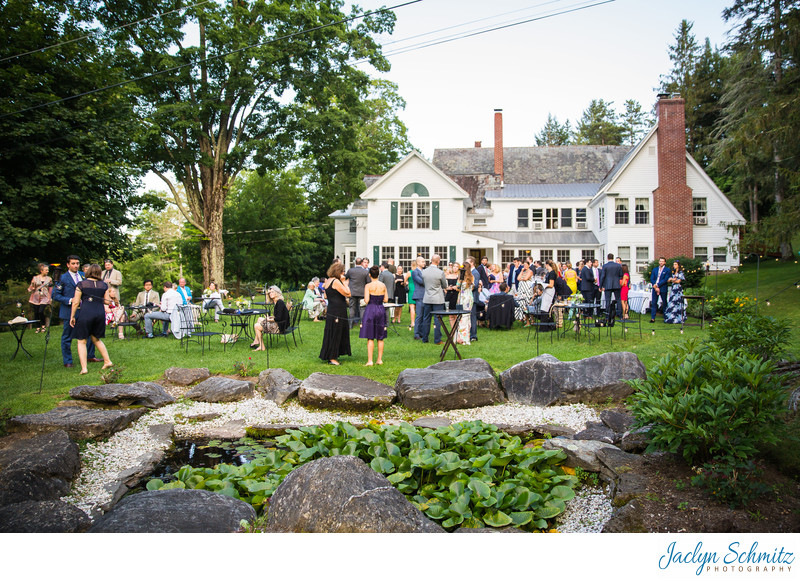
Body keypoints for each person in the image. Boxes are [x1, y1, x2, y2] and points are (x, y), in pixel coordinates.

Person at [69, 264, 113, 375]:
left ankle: (84, 368)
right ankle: (107, 360)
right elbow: (107, 302)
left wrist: (72, 316)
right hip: (99, 313)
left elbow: (75, 302)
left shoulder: (81, 284)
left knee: (82, 341)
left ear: (88, 272)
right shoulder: (104, 285)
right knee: (96, 338)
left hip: (86, 313)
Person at [52, 255, 96, 367]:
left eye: (77, 263)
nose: (76, 265)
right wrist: (70, 300)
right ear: (68, 264)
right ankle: (68, 361)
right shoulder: (62, 278)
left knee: (90, 333)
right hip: (69, 311)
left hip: (84, 310)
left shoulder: (83, 275)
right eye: (73, 263)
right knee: (67, 336)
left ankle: (90, 356)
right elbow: (55, 295)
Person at [319, 262, 351, 365]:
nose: (344, 273)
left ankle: (332, 354)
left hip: (332, 308)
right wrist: (345, 283)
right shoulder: (336, 281)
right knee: (336, 332)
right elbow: (348, 293)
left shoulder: (328, 281)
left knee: (332, 331)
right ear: (339, 272)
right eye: (343, 271)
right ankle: (332, 358)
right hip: (338, 310)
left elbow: (327, 296)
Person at [359, 265, 388, 365]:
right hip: (380, 309)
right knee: (380, 336)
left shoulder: (368, 286)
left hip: (371, 309)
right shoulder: (383, 285)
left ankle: (370, 360)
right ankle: (379, 359)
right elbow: (386, 299)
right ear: (378, 275)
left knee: (370, 336)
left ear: (370, 275)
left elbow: (366, 300)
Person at [420, 254, 448, 344]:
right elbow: (445, 285)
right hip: (437, 299)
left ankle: (425, 338)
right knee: (437, 319)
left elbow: (424, 283)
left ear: (431, 260)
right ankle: (437, 339)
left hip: (427, 297)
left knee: (426, 318)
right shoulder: (440, 272)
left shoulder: (424, 272)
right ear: (438, 261)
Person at [252, 286, 290, 350]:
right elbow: (279, 316)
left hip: (280, 327)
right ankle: (257, 340)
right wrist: (270, 317)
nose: (271, 294)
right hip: (280, 323)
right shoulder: (276, 302)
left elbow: (278, 318)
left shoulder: (279, 302)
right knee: (259, 319)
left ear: (277, 293)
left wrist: (268, 319)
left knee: (256, 326)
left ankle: (261, 346)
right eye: (269, 293)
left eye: (272, 292)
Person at [27, 262, 52, 333]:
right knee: (36, 312)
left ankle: (43, 326)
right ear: (41, 271)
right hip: (36, 296)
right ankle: (38, 327)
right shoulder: (35, 278)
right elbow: (32, 287)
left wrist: (50, 298)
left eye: (48, 270)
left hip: (45, 297)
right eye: (46, 270)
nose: (47, 271)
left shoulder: (49, 279)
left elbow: (50, 289)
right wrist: (31, 287)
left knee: (41, 311)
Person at [599, 253, 623, 321]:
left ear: (607, 258)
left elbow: (602, 276)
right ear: (613, 258)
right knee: (618, 299)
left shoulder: (605, 266)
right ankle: (620, 315)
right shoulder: (618, 265)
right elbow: (621, 274)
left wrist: (600, 286)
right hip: (616, 284)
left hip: (608, 284)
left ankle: (607, 315)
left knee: (608, 300)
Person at [345, 257, 368, 329]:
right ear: (361, 263)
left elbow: (345, 278)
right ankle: (362, 325)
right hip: (362, 293)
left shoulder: (350, 271)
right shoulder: (365, 272)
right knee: (362, 308)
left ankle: (350, 325)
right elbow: (368, 282)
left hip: (352, 292)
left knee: (352, 308)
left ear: (355, 263)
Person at [456, 267, 474, 345]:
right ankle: (467, 338)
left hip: (463, 297)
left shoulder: (461, 278)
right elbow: (472, 287)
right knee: (467, 317)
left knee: (462, 317)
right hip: (469, 297)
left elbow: (457, 287)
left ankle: (462, 338)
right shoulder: (472, 277)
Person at [650, 257, 671, 323]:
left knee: (664, 302)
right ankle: (653, 318)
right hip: (655, 288)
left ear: (665, 262)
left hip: (663, 288)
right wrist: (655, 286)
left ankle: (665, 317)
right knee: (654, 303)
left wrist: (658, 285)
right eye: (660, 261)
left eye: (662, 261)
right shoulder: (655, 269)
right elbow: (652, 278)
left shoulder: (667, 270)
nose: (661, 262)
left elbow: (665, 279)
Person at [411, 256, 426, 338]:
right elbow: (420, 281)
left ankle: (422, 332)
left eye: (424, 261)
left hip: (425, 295)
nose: (424, 263)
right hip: (419, 295)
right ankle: (416, 334)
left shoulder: (424, 271)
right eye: (422, 261)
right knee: (419, 315)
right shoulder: (415, 272)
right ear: (418, 262)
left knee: (424, 315)